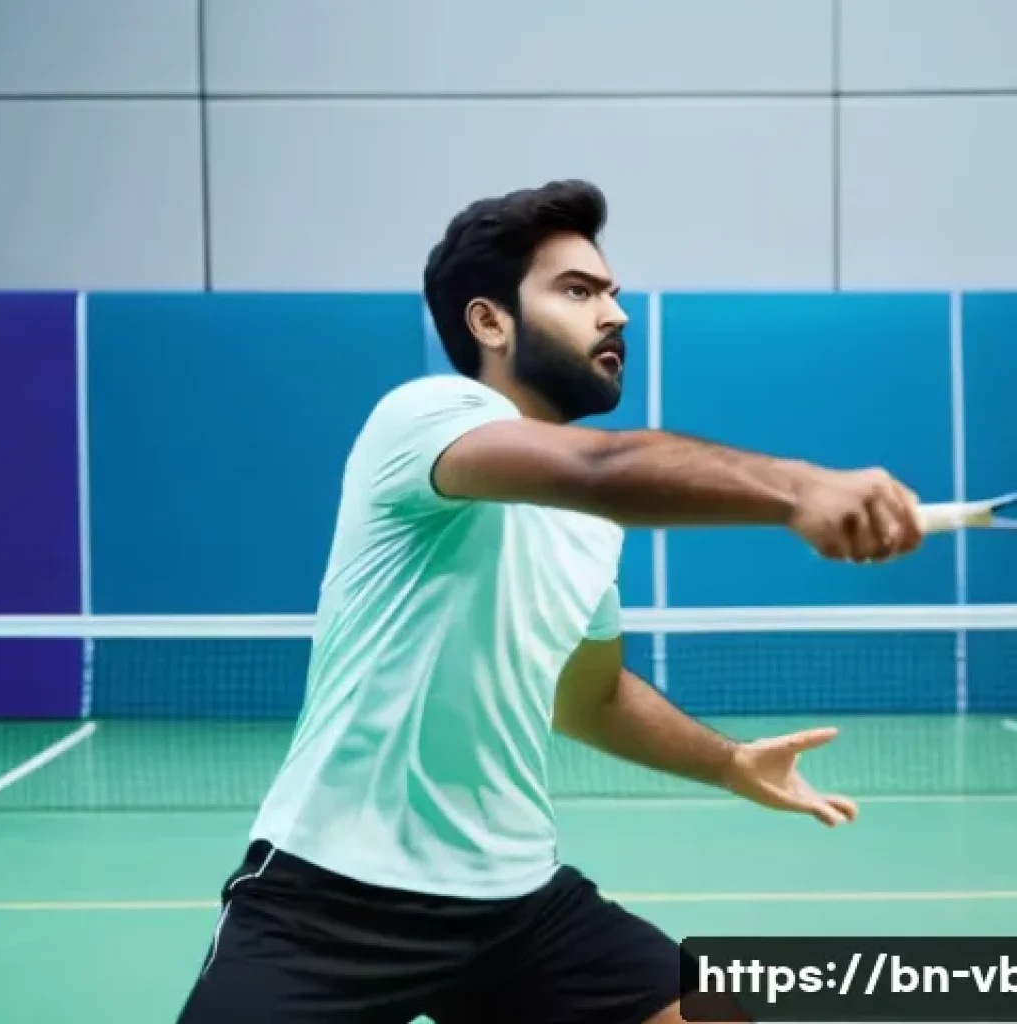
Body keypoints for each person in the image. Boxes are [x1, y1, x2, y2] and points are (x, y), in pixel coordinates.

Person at [176, 180, 924, 1024]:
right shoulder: (424, 418)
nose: (617, 314)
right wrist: (797, 488)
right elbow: (599, 467)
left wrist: (727, 762)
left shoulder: (590, 525)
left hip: (518, 906)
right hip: (331, 900)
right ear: (491, 323)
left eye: (611, 292)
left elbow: (592, 696)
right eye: (578, 291)